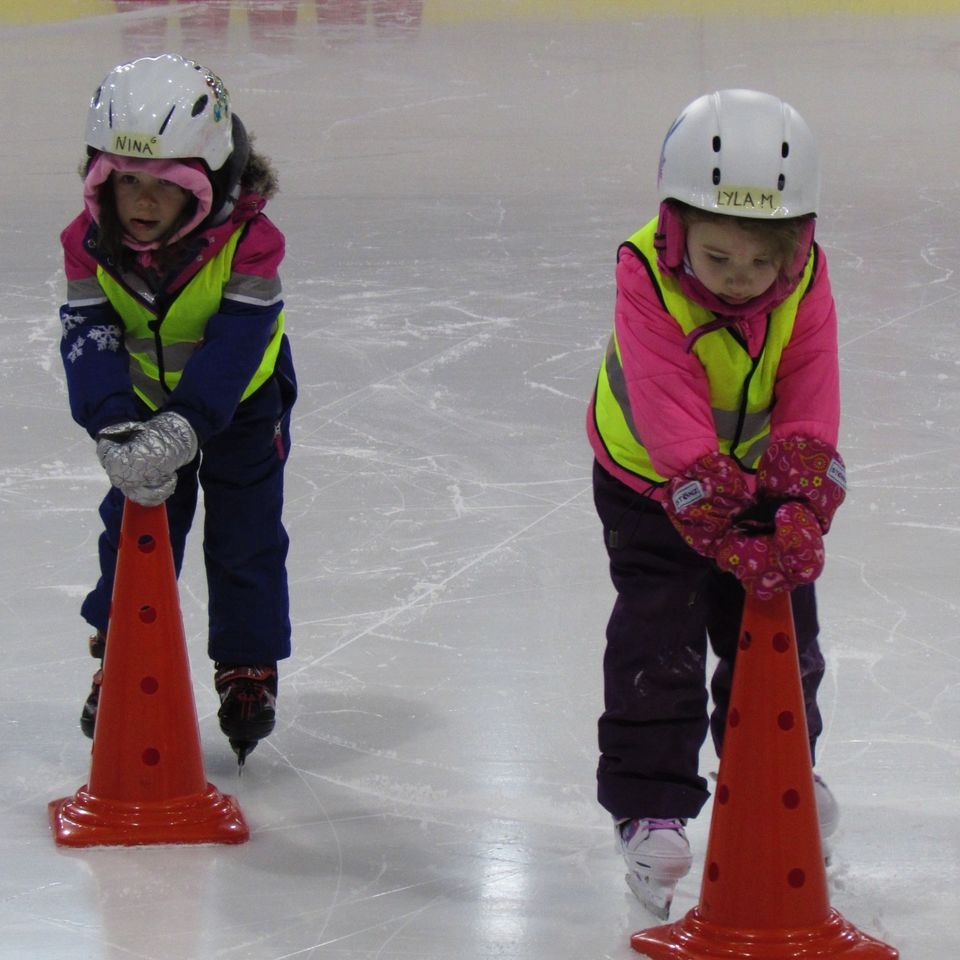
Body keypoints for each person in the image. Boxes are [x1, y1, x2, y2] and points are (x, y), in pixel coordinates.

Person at [585, 89, 846, 917]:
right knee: (658, 638)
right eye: (717, 257)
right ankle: (649, 806)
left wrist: (802, 490)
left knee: (781, 630)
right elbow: (664, 400)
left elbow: (810, 383)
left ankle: (775, 775)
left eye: (758, 264)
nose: (738, 282)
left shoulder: (805, 283)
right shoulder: (647, 277)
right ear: (677, 229)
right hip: (650, 487)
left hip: (758, 479)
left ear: (792, 249)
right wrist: (705, 495)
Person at [59, 53, 297, 766]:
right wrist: (112, 423)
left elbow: (233, 348)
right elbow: (91, 337)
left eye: (164, 184)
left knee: (245, 537)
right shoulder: (89, 243)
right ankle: (121, 653)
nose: (140, 200)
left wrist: (186, 424)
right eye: (125, 181)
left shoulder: (252, 244)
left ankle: (247, 663)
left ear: (209, 182)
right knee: (132, 529)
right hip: (140, 407)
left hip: (243, 409)